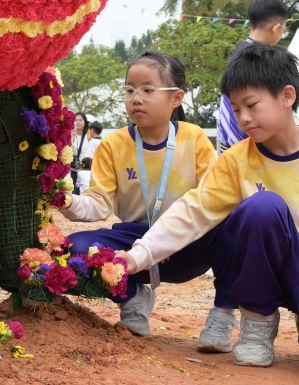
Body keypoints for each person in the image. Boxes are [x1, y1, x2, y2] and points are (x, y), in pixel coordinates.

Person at [117, 43, 299, 384]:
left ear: (287, 96)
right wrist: (138, 256)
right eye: (236, 108)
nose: (243, 118)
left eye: (252, 106)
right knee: (261, 206)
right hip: (264, 272)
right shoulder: (236, 160)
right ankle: (258, 319)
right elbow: (192, 212)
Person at [59, 52, 230, 347]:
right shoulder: (112, 144)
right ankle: (133, 293)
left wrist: (172, 235)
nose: (136, 98)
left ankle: (224, 312)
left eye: (148, 90)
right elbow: (99, 203)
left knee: (233, 224)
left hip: (188, 244)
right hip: (134, 244)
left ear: (177, 98)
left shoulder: (195, 139)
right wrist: (68, 202)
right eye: (129, 90)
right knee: (74, 251)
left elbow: (211, 201)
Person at [216, 0, 288, 153]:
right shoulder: (257, 57)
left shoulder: (240, 51)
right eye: (284, 30)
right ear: (277, 28)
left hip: (230, 143)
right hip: (243, 147)